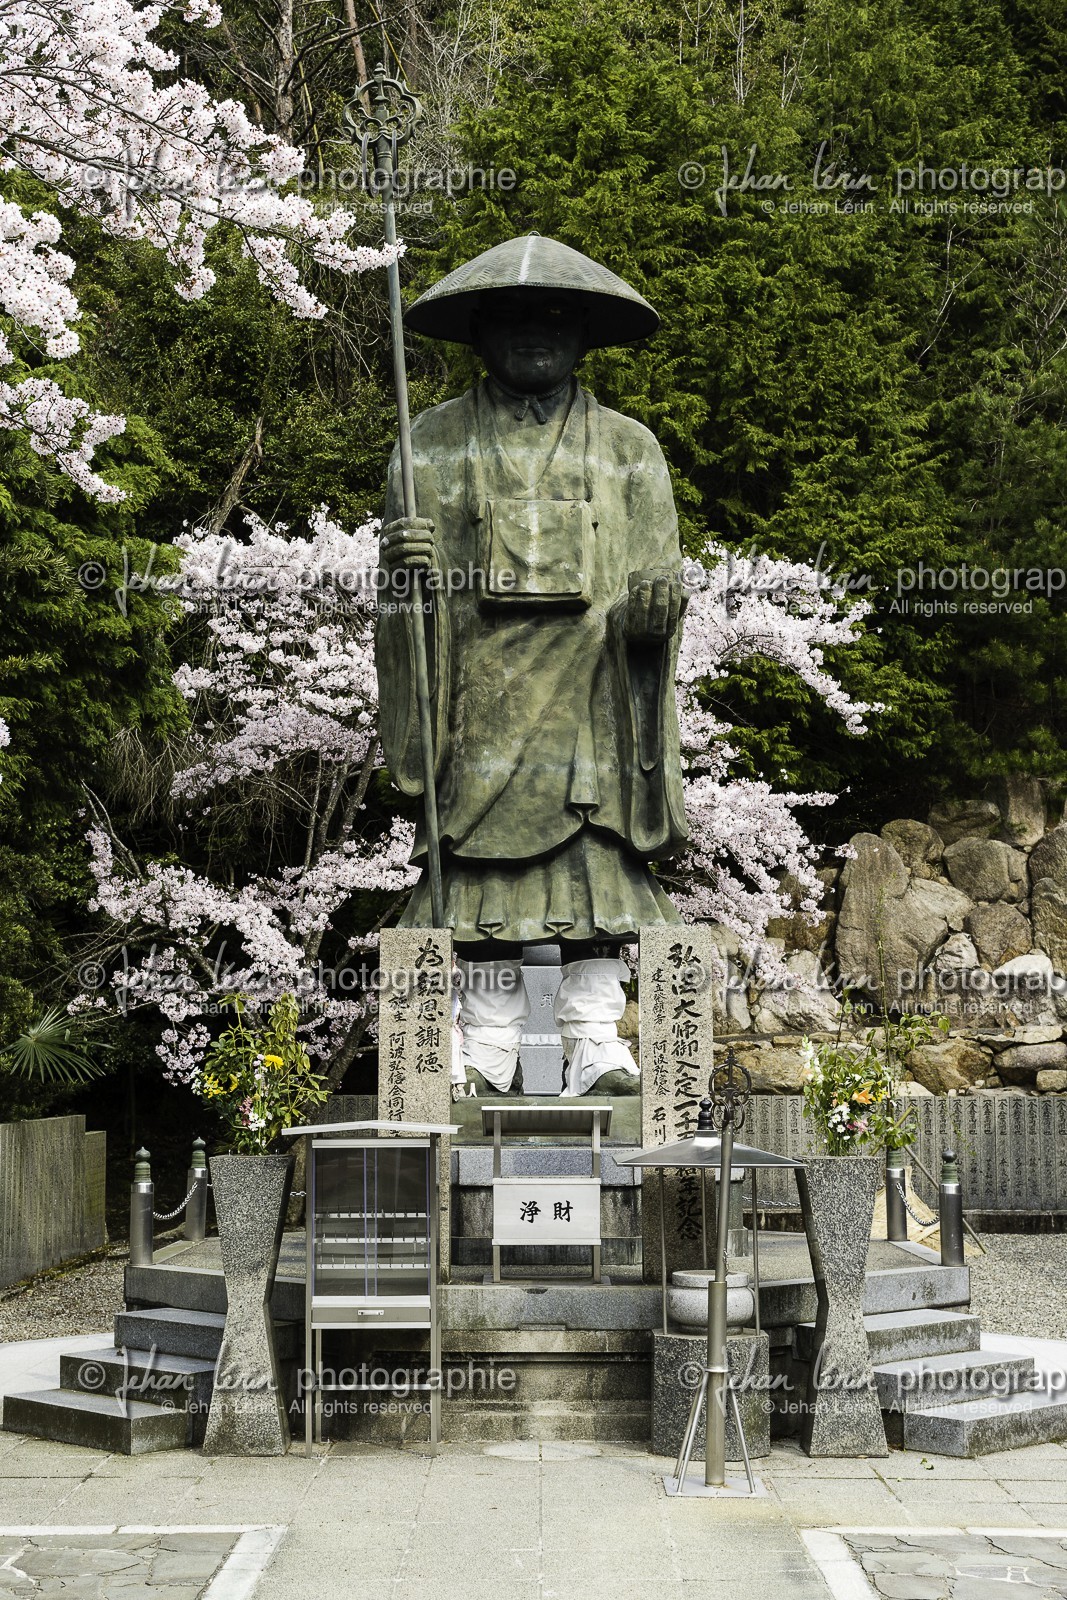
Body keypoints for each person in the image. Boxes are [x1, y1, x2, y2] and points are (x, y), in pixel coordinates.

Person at [376, 234, 688, 1096]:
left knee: (594, 873)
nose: (534, 334)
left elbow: (656, 571)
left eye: (554, 318)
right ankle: (487, 1046)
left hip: (592, 696)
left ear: (583, 334)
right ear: (479, 331)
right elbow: (405, 604)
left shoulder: (627, 448)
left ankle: (593, 1039)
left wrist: (651, 614)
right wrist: (401, 576)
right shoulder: (429, 442)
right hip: (480, 698)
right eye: (512, 317)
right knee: (485, 882)